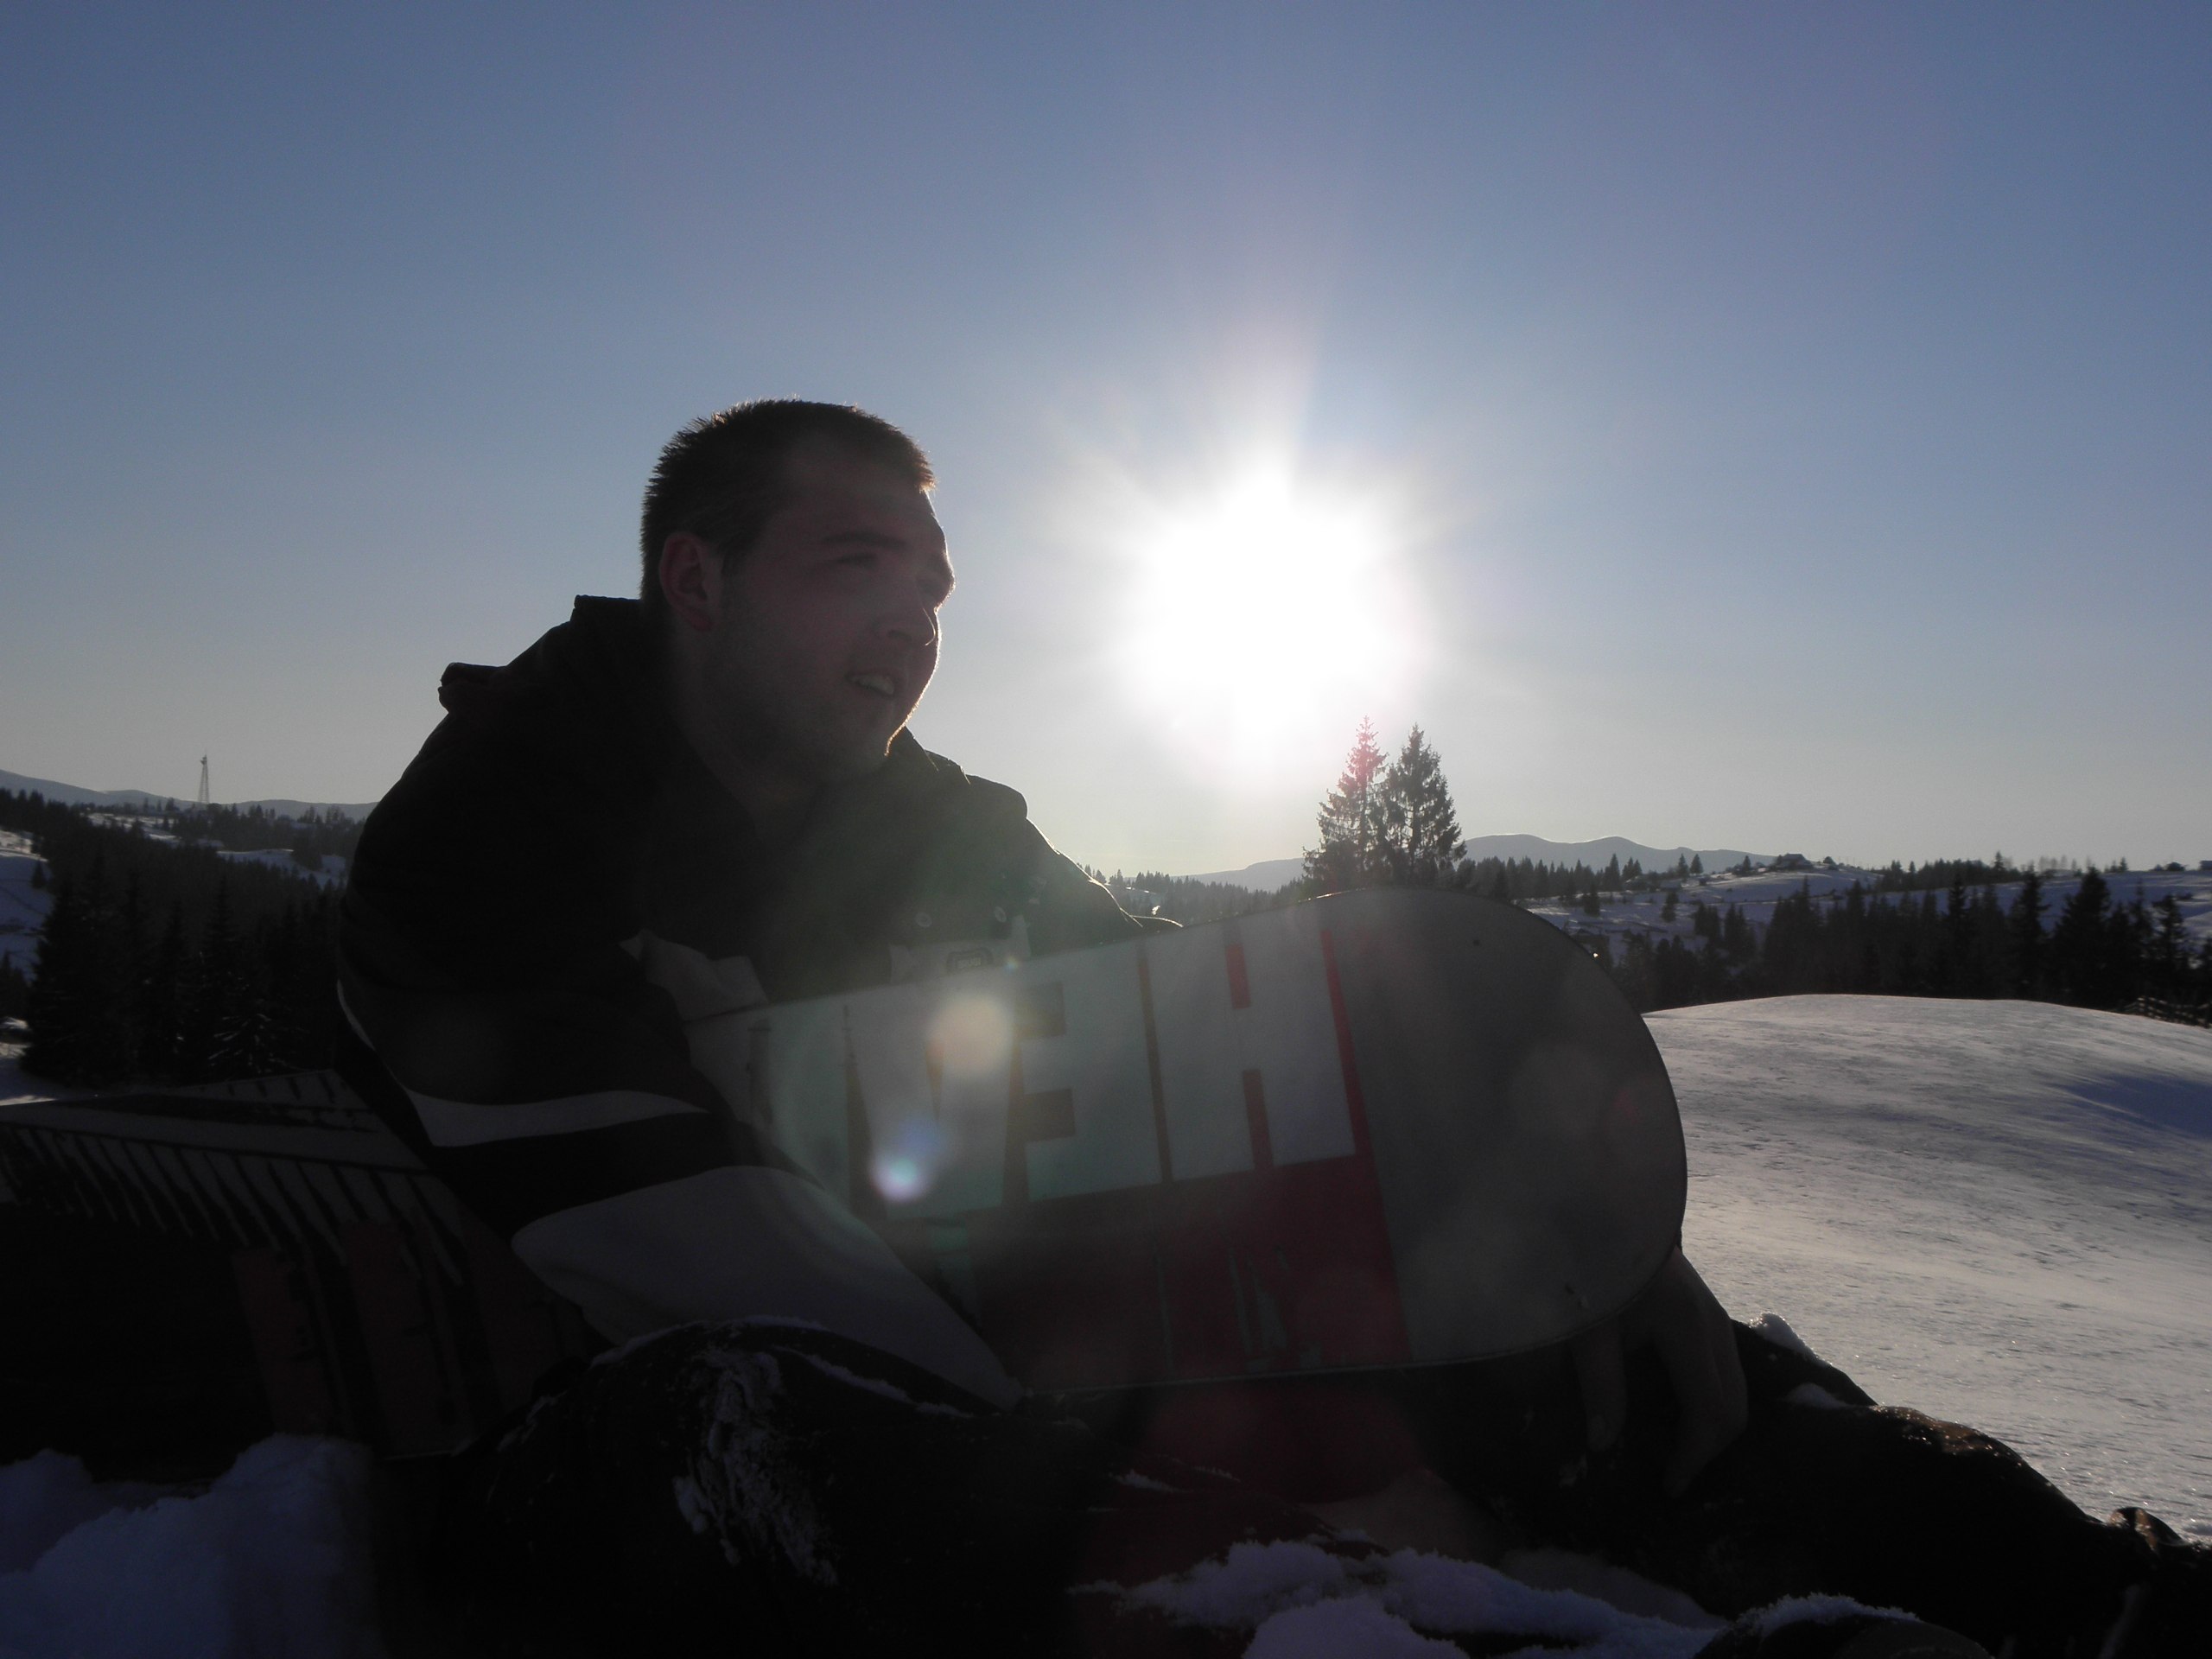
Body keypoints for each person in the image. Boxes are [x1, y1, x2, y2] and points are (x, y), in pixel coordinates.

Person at [339, 401, 2201, 1656]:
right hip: (672, 1428)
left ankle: (2087, 1601)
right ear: (696, 579)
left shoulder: (938, 830)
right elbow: (675, 1233)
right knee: (739, 1420)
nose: (914, 621)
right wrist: (1236, 1473)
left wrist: (1581, 1251)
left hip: (1052, 1348)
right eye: (854, 567)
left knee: (1606, 1372)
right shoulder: (501, 829)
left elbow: (1227, 1036)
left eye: (932, 584)